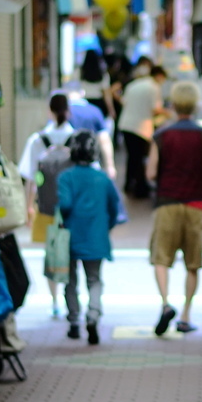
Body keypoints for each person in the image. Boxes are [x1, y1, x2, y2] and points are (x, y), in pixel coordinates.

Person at [145, 80, 202, 335]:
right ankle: (186, 315)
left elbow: (151, 172)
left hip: (167, 202)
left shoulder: (161, 135)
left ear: (173, 105)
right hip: (196, 204)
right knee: (192, 263)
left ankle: (166, 304)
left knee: (161, 258)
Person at [57, 131, 120, 346]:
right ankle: (93, 315)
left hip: (71, 236)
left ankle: (74, 321)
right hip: (96, 237)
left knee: (70, 280)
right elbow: (115, 209)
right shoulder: (103, 178)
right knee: (94, 279)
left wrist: (63, 215)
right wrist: (106, 227)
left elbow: (64, 205)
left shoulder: (66, 177)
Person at [17, 93, 75, 317]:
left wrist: (28, 207)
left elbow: (31, 178)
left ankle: (55, 302)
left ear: (49, 111)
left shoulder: (37, 140)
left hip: (46, 207)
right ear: (68, 111)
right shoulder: (77, 138)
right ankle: (72, 299)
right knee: (71, 252)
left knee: (52, 253)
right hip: (72, 208)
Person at [118, 64, 168, 198]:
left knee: (132, 157)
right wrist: (169, 113)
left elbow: (124, 101)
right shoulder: (154, 87)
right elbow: (155, 109)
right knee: (139, 158)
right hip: (141, 128)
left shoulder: (134, 84)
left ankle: (129, 185)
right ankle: (140, 189)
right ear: (159, 76)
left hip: (125, 125)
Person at [78, 48, 115, 118]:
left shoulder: (80, 73)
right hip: (99, 104)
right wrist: (111, 110)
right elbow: (106, 94)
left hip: (84, 102)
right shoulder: (103, 74)